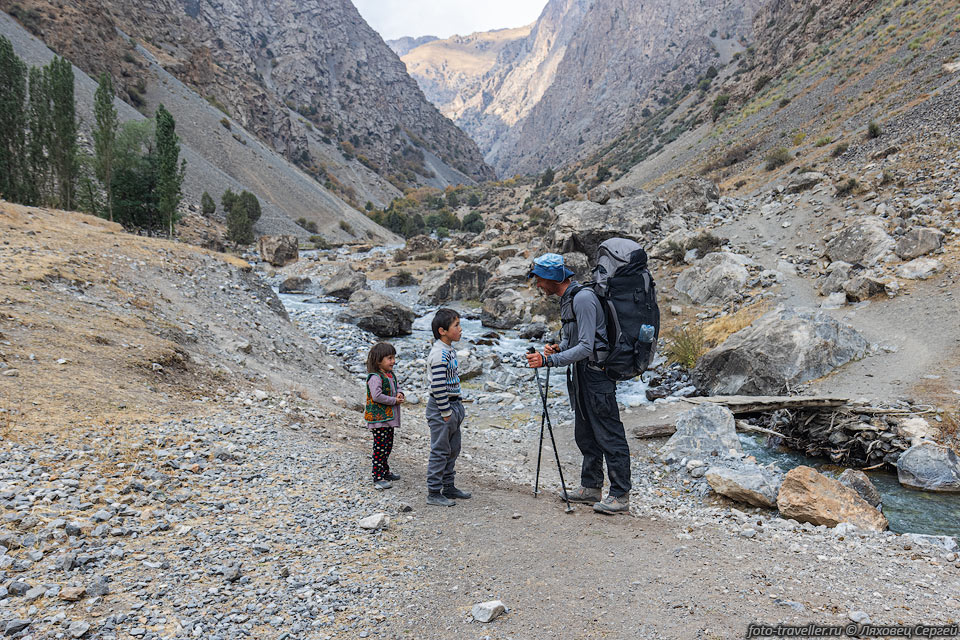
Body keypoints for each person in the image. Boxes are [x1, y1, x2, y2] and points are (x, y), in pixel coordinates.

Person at [524, 253, 632, 514]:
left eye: (539, 279)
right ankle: (590, 486)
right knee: (585, 432)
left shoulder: (582, 298)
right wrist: (558, 347)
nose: (538, 284)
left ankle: (620, 494)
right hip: (583, 373)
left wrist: (549, 361)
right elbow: (578, 341)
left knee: (609, 433)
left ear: (552, 278)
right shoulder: (568, 299)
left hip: (598, 374)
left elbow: (586, 346)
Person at [425, 308, 471, 506]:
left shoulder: (449, 350)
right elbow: (438, 385)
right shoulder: (439, 354)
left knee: (453, 448)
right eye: (457, 326)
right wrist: (445, 411)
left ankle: (449, 486)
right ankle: (434, 492)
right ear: (443, 331)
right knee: (440, 450)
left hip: (453, 404)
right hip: (441, 407)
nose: (460, 329)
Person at [364, 342, 405, 490]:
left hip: (387, 419)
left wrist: (400, 393)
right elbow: (376, 396)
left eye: (393, 357)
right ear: (378, 360)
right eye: (389, 358)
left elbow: (397, 386)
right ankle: (378, 476)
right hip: (379, 420)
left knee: (387, 446)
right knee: (380, 447)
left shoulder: (389, 374)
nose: (393, 361)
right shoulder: (375, 377)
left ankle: (385, 470)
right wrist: (394, 400)